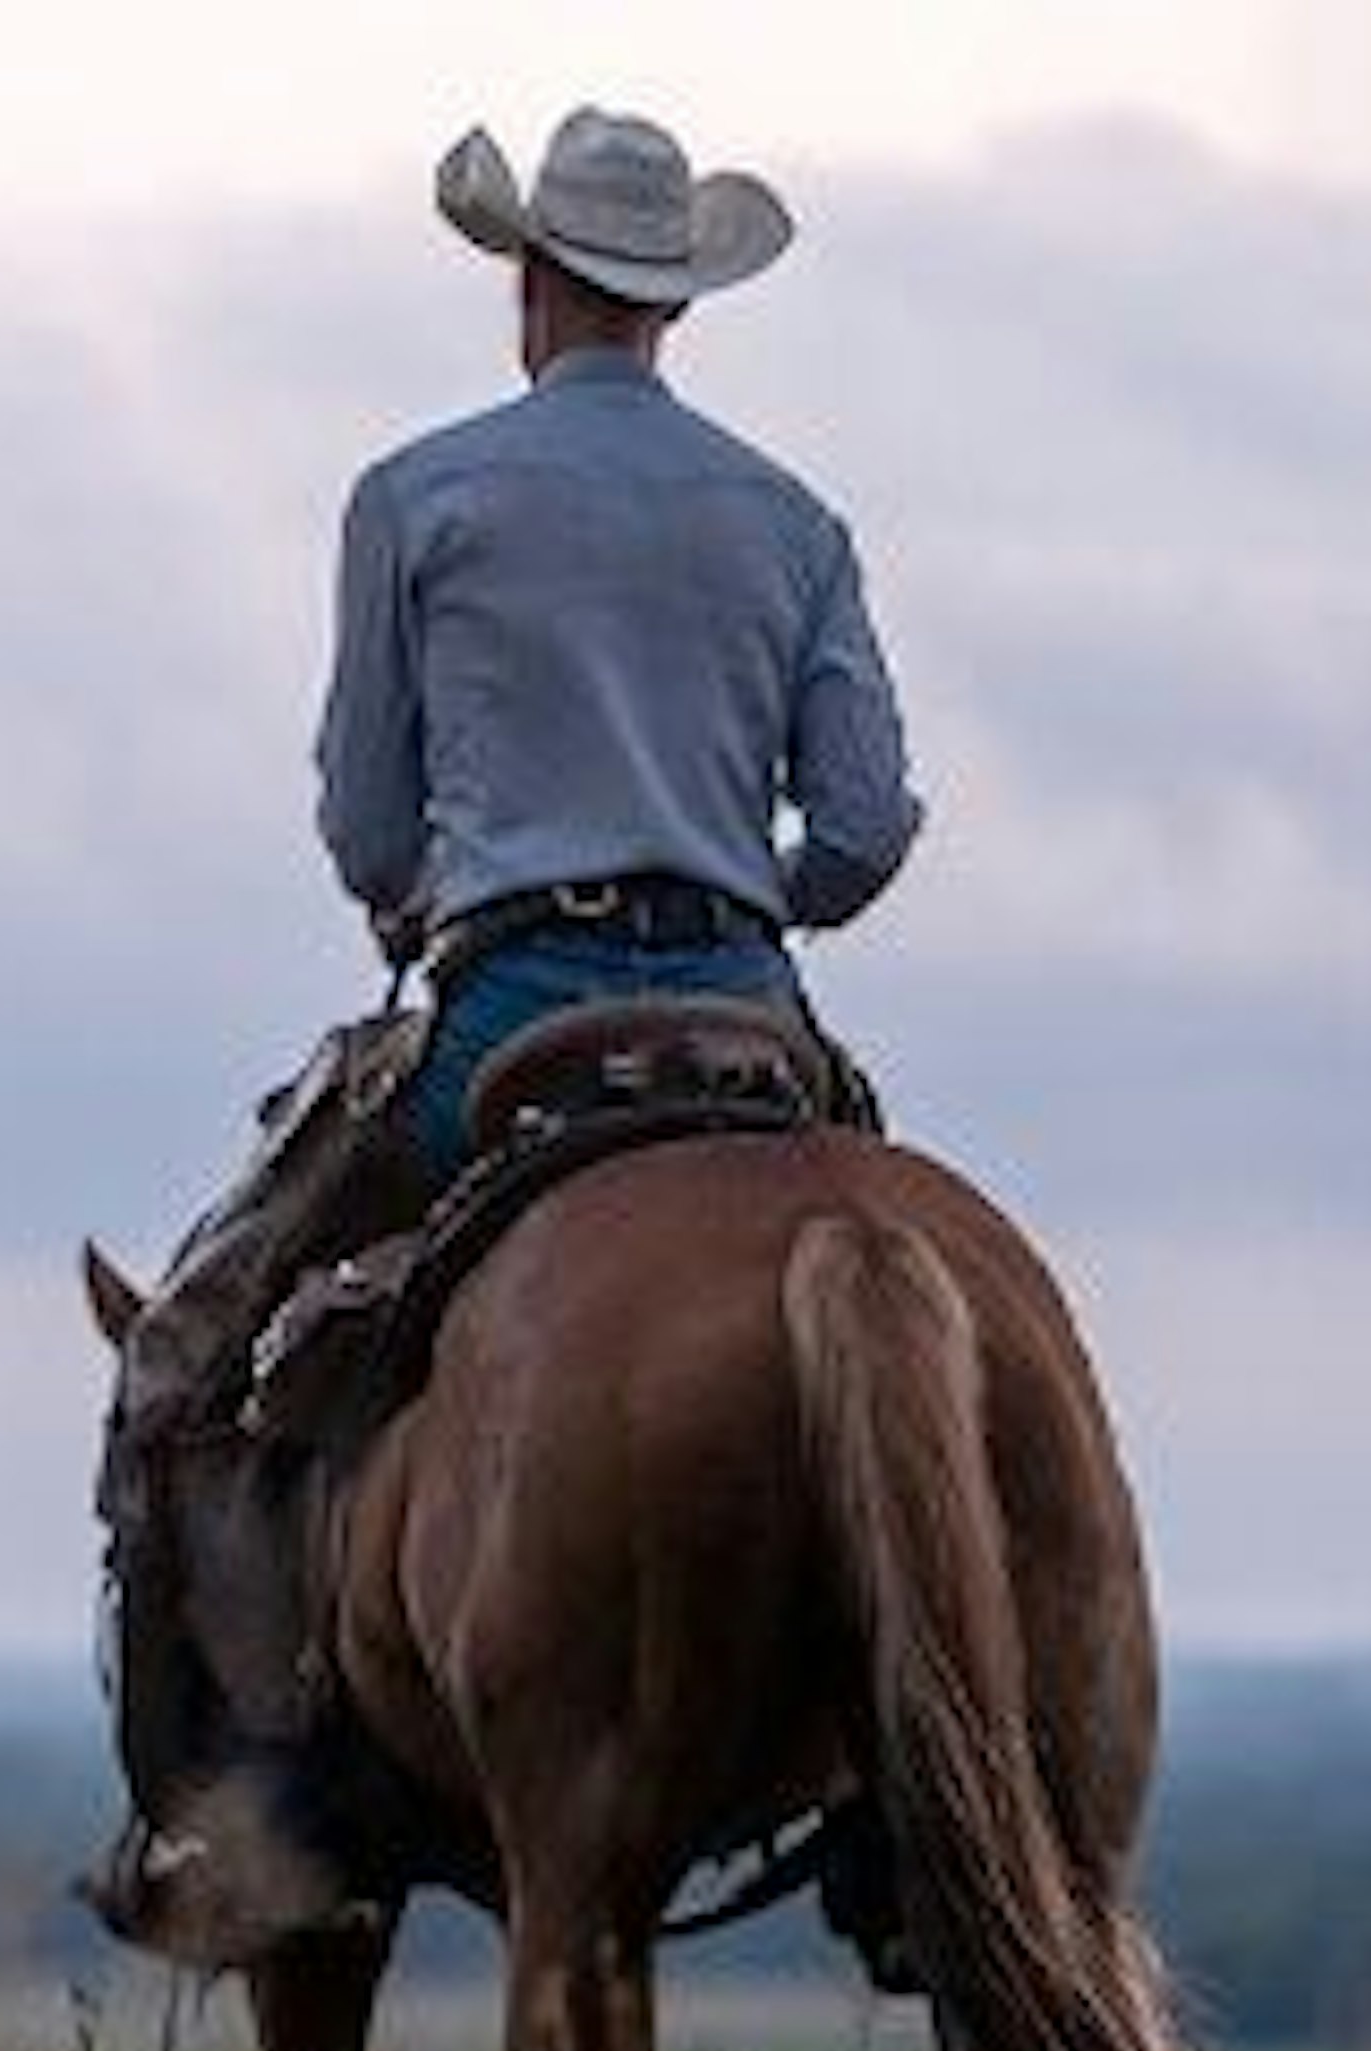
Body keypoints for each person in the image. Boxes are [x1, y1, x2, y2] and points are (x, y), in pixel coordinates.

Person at [118, 107, 922, 1426]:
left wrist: (426, 885)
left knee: (225, 1353)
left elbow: (370, 830)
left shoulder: (414, 496)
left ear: (530, 282)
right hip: (747, 1006)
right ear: (677, 310)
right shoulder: (796, 524)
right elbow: (866, 829)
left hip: (513, 1005)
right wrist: (757, 886)